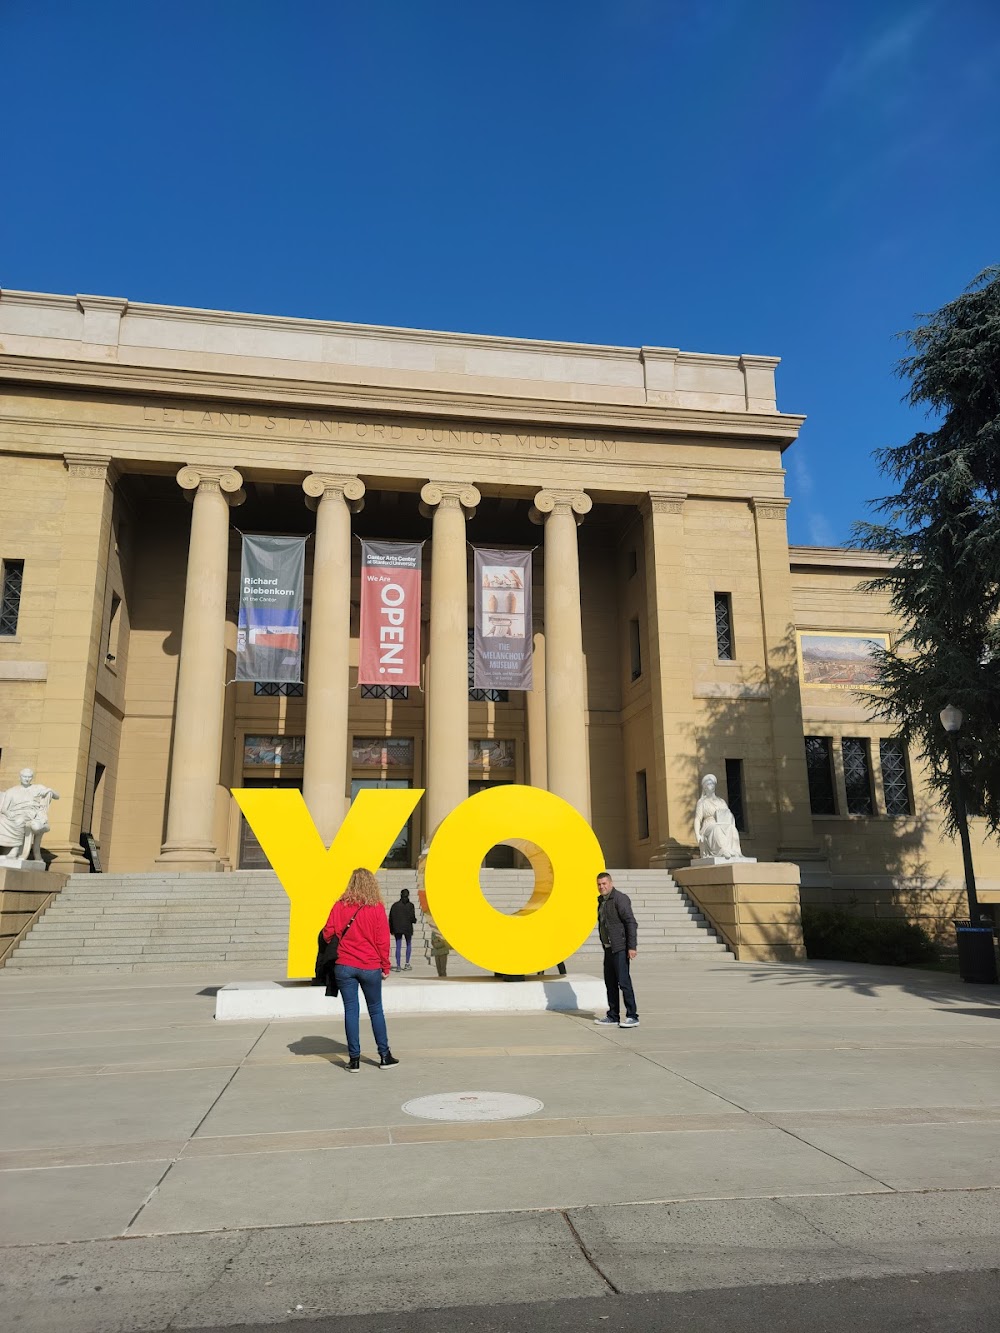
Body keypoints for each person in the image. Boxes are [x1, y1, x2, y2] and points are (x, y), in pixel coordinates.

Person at [321, 867, 399, 1071]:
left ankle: (354, 1060)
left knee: (351, 1011)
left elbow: (327, 933)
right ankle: (384, 1056)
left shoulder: (339, 906)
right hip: (370, 965)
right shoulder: (377, 908)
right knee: (375, 1010)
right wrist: (386, 965)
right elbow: (383, 941)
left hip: (345, 966)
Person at [593, 871, 639, 1029]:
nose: (601, 887)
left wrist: (632, 947)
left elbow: (631, 922)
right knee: (610, 983)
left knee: (624, 982)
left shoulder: (620, 899)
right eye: (599, 884)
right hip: (608, 948)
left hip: (620, 948)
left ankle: (632, 1016)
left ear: (610, 883)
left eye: (604, 883)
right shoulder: (601, 900)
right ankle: (613, 1015)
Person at [694, 773, 744, 860]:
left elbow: (728, 814)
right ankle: (723, 850)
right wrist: (697, 835)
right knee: (716, 828)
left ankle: (736, 852)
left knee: (732, 829)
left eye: (713, 783)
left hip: (723, 823)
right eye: (709, 784)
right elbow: (697, 819)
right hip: (709, 826)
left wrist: (728, 816)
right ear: (705, 787)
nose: (712, 786)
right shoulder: (702, 802)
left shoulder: (721, 801)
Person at [388, 887, 416, 971]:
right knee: (408, 944)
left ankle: (398, 966)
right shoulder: (410, 905)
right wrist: (414, 920)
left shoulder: (395, 906)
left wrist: (391, 929)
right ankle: (407, 964)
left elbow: (391, 918)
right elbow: (412, 918)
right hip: (407, 928)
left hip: (397, 928)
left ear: (401, 895)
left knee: (398, 946)